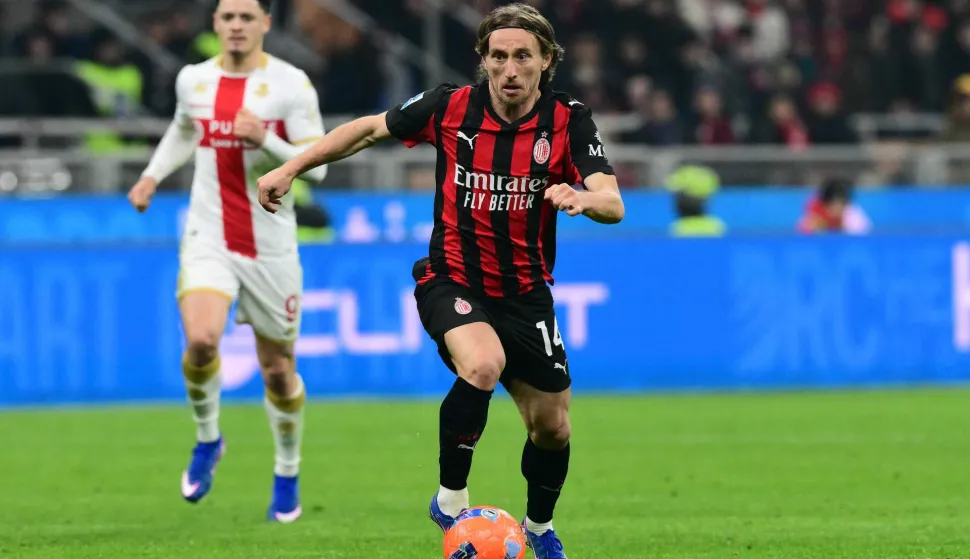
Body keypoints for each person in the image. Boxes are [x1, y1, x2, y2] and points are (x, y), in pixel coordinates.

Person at [257, 4, 624, 556]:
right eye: (498, 56)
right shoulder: (449, 106)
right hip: (452, 279)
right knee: (481, 363)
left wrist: (582, 197)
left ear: (546, 61)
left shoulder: (569, 121)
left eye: (523, 56)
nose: (510, 69)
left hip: (526, 295)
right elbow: (366, 131)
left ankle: (540, 531)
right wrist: (290, 168)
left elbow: (613, 204)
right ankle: (451, 499)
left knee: (552, 428)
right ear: (483, 61)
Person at [126, 0, 327, 523]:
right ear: (216, 24)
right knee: (200, 341)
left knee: (279, 372)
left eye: (246, 17)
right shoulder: (193, 80)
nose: (236, 26)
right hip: (208, 234)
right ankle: (208, 439)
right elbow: (183, 130)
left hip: (271, 245)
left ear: (265, 24)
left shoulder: (291, 85)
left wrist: (267, 140)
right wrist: (151, 175)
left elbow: (320, 168)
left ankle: (287, 470)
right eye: (227, 17)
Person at [797, 177, 871, 234]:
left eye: (840, 205)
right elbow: (802, 233)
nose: (837, 209)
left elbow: (863, 234)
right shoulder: (814, 214)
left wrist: (842, 226)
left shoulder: (853, 214)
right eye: (833, 205)